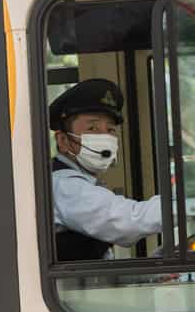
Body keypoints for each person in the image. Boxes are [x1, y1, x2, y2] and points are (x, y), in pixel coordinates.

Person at [49, 78, 162, 261]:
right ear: (63, 141)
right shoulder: (64, 185)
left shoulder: (87, 182)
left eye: (110, 130)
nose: (104, 136)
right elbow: (126, 221)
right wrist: (182, 208)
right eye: (92, 127)